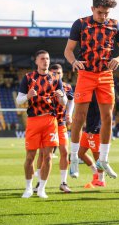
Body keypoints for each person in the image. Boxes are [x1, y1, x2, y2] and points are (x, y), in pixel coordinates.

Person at [64, 0, 119, 179]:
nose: (104, 16)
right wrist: (74, 62)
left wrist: (118, 58)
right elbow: (68, 50)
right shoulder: (80, 23)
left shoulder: (115, 25)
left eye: (107, 13)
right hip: (85, 74)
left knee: (108, 117)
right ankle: (75, 158)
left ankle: (104, 159)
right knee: (79, 116)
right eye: (100, 12)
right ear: (92, 9)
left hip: (105, 75)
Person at [16, 50, 67, 198]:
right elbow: (19, 100)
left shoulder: (56, 78)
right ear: (36, 61)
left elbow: (63, 103)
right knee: (30, 157)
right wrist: (27, 96)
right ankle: (28, 188)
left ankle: (42, 189)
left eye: (48, 59)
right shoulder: (28, 78)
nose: (46, 61)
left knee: (48, 157)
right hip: (33, 120)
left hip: (50, 121)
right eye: (43, 59)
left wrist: (61, 96)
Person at [33, 64, 74, 193]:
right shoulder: (44, 85)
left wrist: (69, 113)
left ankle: (63, 182)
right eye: (54, 72)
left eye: (59, 72)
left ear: (62, 73)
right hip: (48, 123)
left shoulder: (67, 87)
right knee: (44, 154)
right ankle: (39, 183)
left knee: (65, 151)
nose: (57, 74)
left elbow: (71, 100)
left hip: (61, 123)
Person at [79, 92, 106, 188]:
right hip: (88, 130)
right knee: (80, 153)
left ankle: (101, 180)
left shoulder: (96, 94)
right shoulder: (88, 93)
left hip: (95, 131)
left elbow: (99, 114)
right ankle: (95, 173)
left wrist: (94, 129)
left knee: (97, 157)